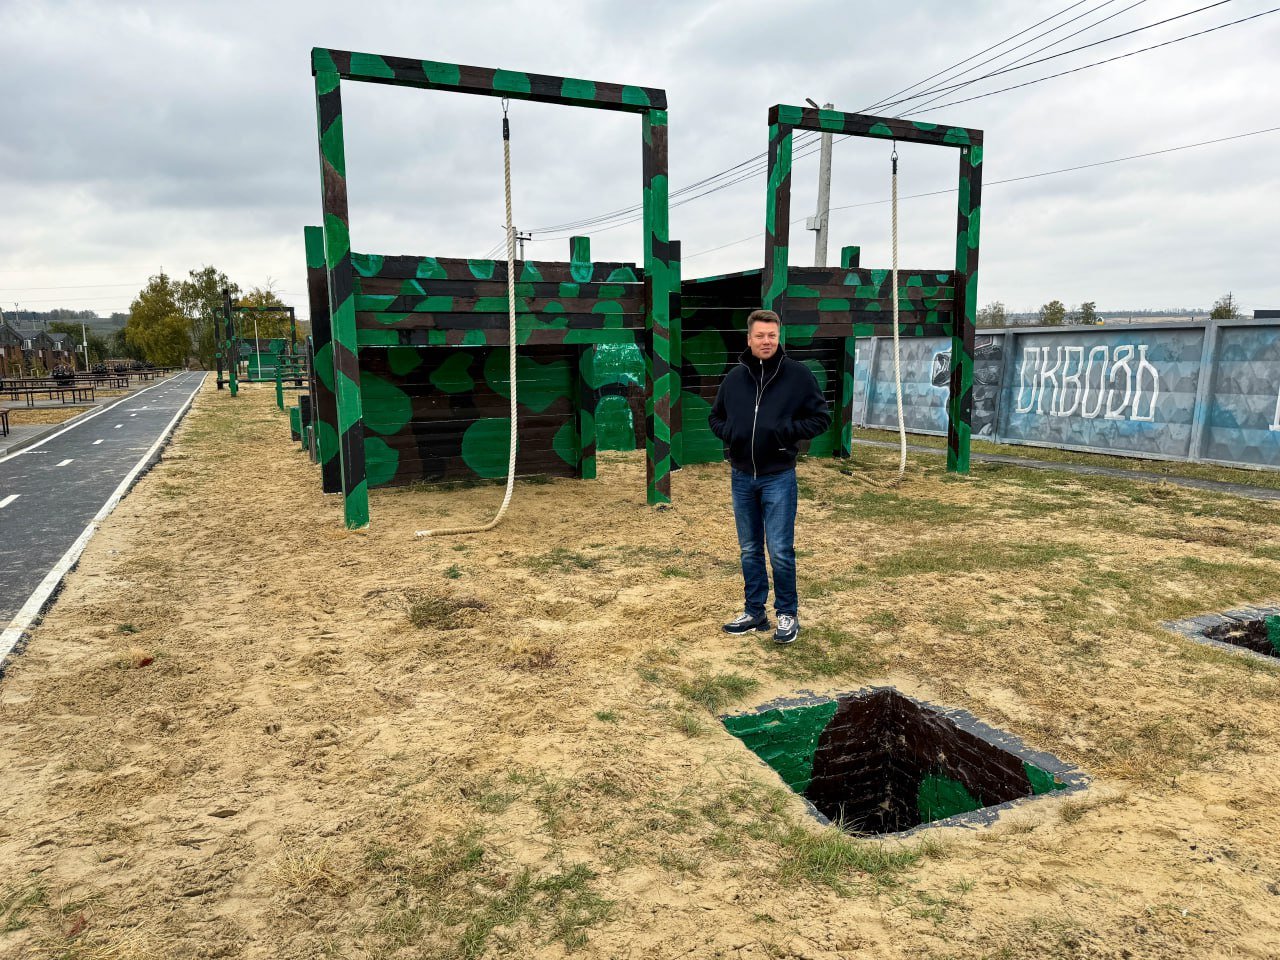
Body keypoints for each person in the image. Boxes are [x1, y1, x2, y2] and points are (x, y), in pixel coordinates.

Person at [709, 309, 830, 644]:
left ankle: (787, 614)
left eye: (772, 335)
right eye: (760, 336)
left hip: (778, 476)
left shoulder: (798, 376)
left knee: (779, 549)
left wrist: (785, 432)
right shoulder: (734, 378)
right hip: (742, 476)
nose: (766, 341)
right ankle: (754, 611)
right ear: (749, 339)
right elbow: (715, 417)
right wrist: (731, 433)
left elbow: (821, 419)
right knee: (749, 548)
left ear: (779, 337)